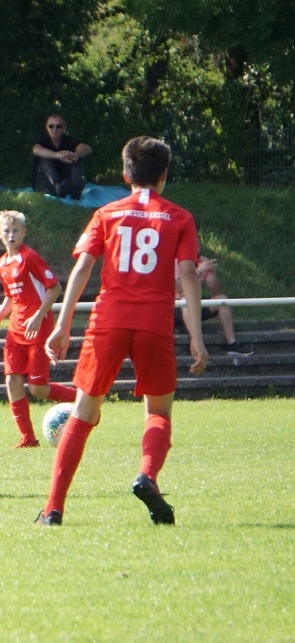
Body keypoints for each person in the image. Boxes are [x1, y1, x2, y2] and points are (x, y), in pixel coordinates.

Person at [37, 136, 209, 527]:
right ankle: (147, 476)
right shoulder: (180, 217)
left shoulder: (107, 213)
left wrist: (62, 325)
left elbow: (83, 268)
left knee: (83, 414)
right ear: (164, 175)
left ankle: (53, 509)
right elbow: (187, 274)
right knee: (158, 412)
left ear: (125, 174)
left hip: (108, 321)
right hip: (154, 323)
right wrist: (197, 336)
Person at [0, 210, 77, 448]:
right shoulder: (1, 264)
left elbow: (55, 287)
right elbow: (11, 296)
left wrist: (38, 315)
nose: (11, 235)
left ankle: (82, 400)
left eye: (16, 231)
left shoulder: (30, 258)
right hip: (15, 332)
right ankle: (28, 437)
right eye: (6, 231)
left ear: (24, 233)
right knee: (12, 381)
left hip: (38, 329)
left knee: (38, 389)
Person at [174, 255, 253, 356]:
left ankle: (232, 344)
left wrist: (212, 274)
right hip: (174, 306)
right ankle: (197, 344)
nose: (196, 249)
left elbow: (216, 292)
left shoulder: (202, 261)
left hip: (196, 304)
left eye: (198, 247)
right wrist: (199, 271)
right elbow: (178, 288)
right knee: (186, 301)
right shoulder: (177, 262)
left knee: (222, 300)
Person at [32, 114, 92, 200]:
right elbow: (36, 150)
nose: (54, 129)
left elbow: (87, 148)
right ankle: (58, 185)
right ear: (47, 126)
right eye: (51, 126)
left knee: (76, 159)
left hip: (65, 183)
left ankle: (76, 188)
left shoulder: (68, 140)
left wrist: (75, 155)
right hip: (45, 183)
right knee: (45, 159)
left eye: (58, 126)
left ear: (64, 127)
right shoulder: (42, 140)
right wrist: (58, 155)